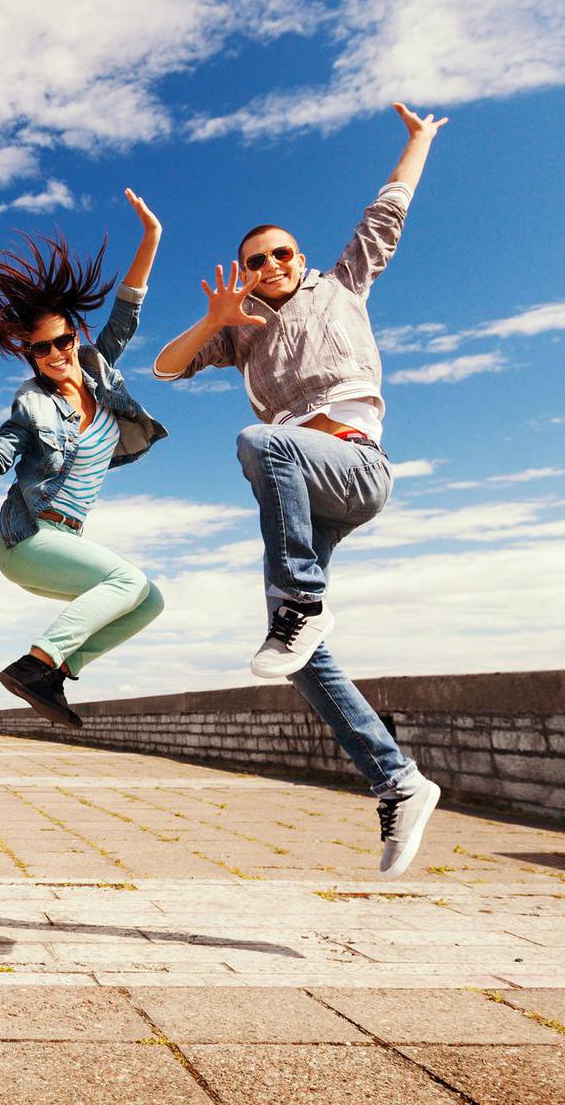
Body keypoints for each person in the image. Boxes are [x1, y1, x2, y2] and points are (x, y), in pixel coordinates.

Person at [149, 102, 450, 877]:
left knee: (261, 441)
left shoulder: (342, 285)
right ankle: (399, 780)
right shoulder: (240, 327)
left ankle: (302, 600)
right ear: (245, 274)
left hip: (352, 463)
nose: (271, 266)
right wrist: (214, 317)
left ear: (300, 257)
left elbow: (388, 212)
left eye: (281, 254)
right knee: (292, 656)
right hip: (304, 488)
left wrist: (416, 142)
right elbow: (165, 368)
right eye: (256, 261)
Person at [0, 189, 168, 726]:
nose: (55, 355)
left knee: (149, 601)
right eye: (41, 348)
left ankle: (54, 672)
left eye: (62, 341)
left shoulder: (99, 369)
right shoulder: (32, 402)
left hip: (64, 542)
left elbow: (128, 307)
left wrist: (151, 237)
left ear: (75, 336)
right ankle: (35, 664)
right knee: (126, 582)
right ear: (28, 353)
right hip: (26, 540)